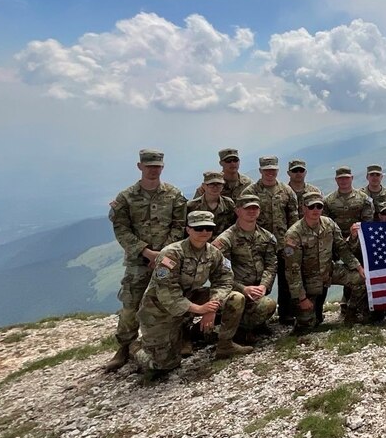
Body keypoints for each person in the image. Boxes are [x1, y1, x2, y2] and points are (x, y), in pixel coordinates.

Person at [133, 210, 250, 375]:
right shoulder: (171, 254)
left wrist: (212, 306)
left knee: (235, 298)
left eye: (208, 228)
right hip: (161, 310)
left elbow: (224, 279)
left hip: (191, 298)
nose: (204, 232)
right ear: (188, 229)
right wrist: (199, 309)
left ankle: (225, 345)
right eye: (198, 228)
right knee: (164, 365)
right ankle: (135, 347)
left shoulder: (214, 253)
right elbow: (167, 292)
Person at [103, 149, 187, 372]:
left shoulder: (174, 194)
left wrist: (164, 253)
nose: (153, 169)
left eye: (157, 165)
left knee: (172, 300)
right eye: (149, 165)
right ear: (140, 166)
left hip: (168, 259)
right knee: (131, 304)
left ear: (162, 167)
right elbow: (121, 229)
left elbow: (180, 226)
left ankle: (177, 341)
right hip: (139, 261)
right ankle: (125, 347)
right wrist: (146, 252)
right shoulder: (126, 198)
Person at [284, 192, 368, 329]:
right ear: (304, 208)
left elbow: (342, 249)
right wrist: (302, 298)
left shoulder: (329, 224)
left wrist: (358, 267)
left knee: (360, 278)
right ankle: (307, 317)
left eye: (319, 206)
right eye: (311, 207)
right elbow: (292, 271)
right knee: (307, 326)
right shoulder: (294, 234)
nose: (315, 210)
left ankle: (352, 313)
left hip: (329, 271)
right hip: (309, 280)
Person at [240, 156, 300, 325]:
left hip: (283, 244)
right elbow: (243, 218)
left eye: (273, 170)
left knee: (286, 278)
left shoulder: (287, 191)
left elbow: (293, 219)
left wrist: (292, 241)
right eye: (266, 170)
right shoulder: (249, 193)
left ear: (277, 171)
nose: (270, 173)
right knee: (259, 279)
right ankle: (259, 320)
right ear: (260, 171)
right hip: (258, 244)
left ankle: (286, 313)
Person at [213, 194, 279, 343]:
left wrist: (264, 286)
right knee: (243, 303)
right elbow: (220, 274)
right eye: (247, 208)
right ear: (238, 211)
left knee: (268, 305)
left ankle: (249, 326)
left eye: (255, 208)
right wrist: (243, 289)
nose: (251, 211)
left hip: (257, 290)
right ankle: (230, 332)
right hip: (234, 292)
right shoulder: (226, 239)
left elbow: (271, 264)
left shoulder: (266, 236)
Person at [186, 171, 235, 238]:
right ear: (204, 186)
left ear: (223, 186)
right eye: (211, 184)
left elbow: (233, 227)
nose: (215, 187)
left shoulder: (229, 204)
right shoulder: (192, 206)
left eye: (218, 184)